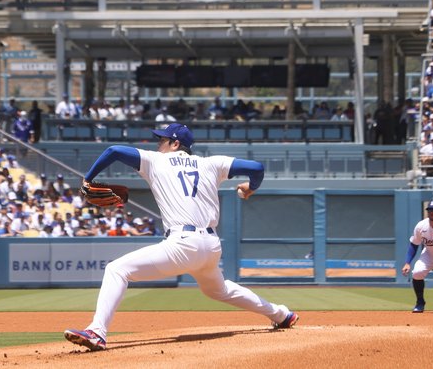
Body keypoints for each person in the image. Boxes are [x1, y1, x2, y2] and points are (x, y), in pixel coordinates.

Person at [62, 122, 297, 352]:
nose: (158, 144)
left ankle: (97, 332)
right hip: (211, 245)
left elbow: (113, 151)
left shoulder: (156, 161)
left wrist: (87, 179)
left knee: (117, 270)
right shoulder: (211, 164)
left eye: (162, 140)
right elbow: (256, 167)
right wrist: (250, 188)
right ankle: (281, 314)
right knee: (219, 290)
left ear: (175, 143)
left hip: (183, 244)